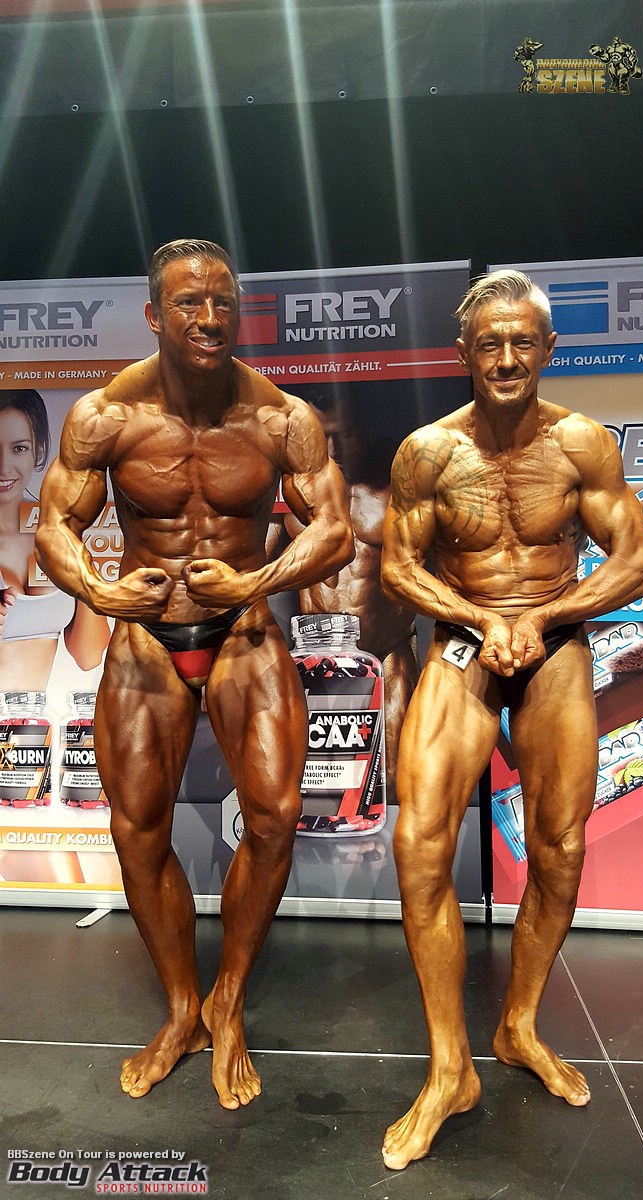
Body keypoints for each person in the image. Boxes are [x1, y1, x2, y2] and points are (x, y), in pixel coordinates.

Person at [35, 238, 354, 1106]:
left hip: (243, 629)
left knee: (276, 818)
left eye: (222, 302)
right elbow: (55, 525)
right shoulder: (106, 415)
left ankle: (229, 999)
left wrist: (257, 580)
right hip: (146, 637)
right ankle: (181, 1006)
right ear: (154, 314)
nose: (209, 318)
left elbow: (333, 530)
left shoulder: (279, 417)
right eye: (188, 303)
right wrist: (101, 590)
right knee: (138, 830)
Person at [379, 269, 643, 1170]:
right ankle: (448, 1067)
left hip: (555, 641)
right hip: (462, 644)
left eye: (522, 342)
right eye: (489, 344)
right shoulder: (427, 452)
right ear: (463, 352)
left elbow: (637, 562)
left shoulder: (580, 443)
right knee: (418, 843)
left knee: (560, 847)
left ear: (547, 348)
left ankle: (519, 1026)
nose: (505, 358)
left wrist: (539, 618)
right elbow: (397, 568)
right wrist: (477, 618)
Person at [268, 385, 419, 801]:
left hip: (385, 655)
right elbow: (248, 575)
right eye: (323, 436)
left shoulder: (398, 488)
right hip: (312, 659)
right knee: (311, 791)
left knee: (391, 784)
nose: (333, 449)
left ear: (363, 428)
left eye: (344, 434)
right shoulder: (289, 492)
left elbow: (442, 570)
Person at [0, 390, 111, 887]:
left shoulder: (56, 536)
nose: (4, 466)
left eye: (18, 448)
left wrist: (83, 576)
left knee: (81, 875)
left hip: (39, 738)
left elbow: (88, 655)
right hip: (19, 745)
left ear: (39, 450)